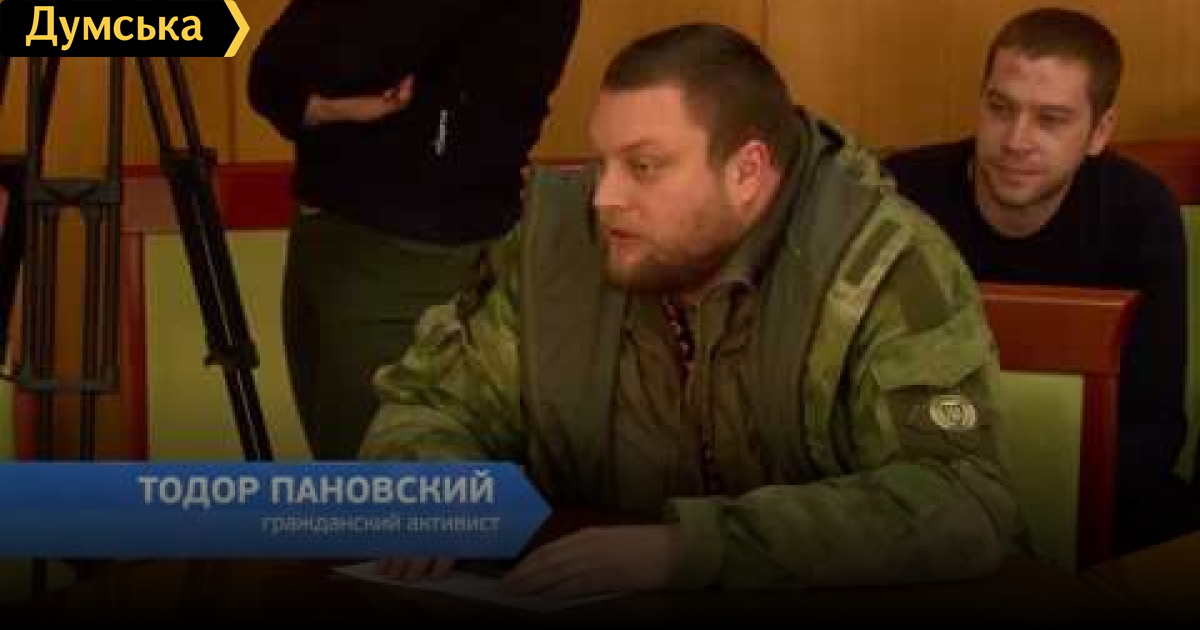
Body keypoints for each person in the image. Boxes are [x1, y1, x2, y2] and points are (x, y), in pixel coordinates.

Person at [360, 23, 1023, 595]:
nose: (604, 197)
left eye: (644, 167)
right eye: (603, 161)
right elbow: (430, 406)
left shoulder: (878, 264)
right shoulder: (550, 247)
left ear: (747, 171)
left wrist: (688, 549)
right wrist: (437, 492)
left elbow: (959, 500)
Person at [883, 8, 1194, 553]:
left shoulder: (1140, 213)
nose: (1016, 140)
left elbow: (1153, 425)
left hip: (1101, 500)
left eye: (1051, 119)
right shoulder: (901, 196)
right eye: (1000, 108)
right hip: (922, 497)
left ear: (1099, 132)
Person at [247, 1, 581, 460]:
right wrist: (313, 103)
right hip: (342, 234)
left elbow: (335, 64)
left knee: (393, 481)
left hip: (412, 253)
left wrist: (311, 98)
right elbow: (272, 76)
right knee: (348, 471)